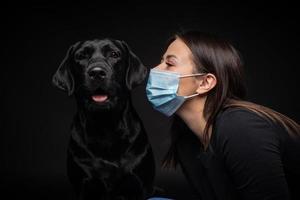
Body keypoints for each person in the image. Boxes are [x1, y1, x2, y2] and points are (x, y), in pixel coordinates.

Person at [145, 30, 300, 200]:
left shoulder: (241, 128)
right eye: (161, 61)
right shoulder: (187, 143)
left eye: (170, 63)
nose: (155, 70)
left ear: (205, 82)